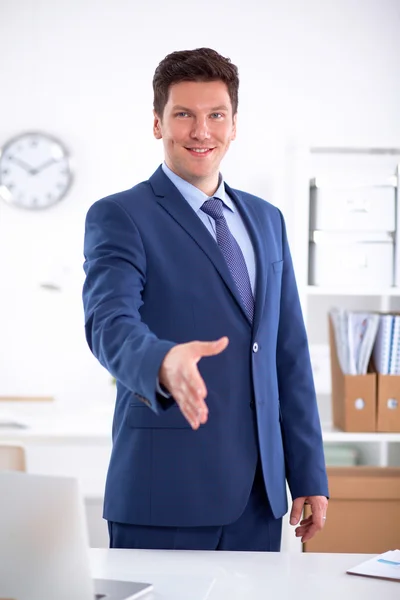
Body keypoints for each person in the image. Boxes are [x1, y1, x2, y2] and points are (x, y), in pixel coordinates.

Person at [82, 47, 328, 552]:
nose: (201, 131)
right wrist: (163, 361)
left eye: (216, 115)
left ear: (234, 125)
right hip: (164, 491)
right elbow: (108, 322)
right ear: (158, 124)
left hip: (260, 497)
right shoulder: (120, 215)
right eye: (184, 115)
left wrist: (308, 472)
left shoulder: (267, 219)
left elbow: (288, 352)